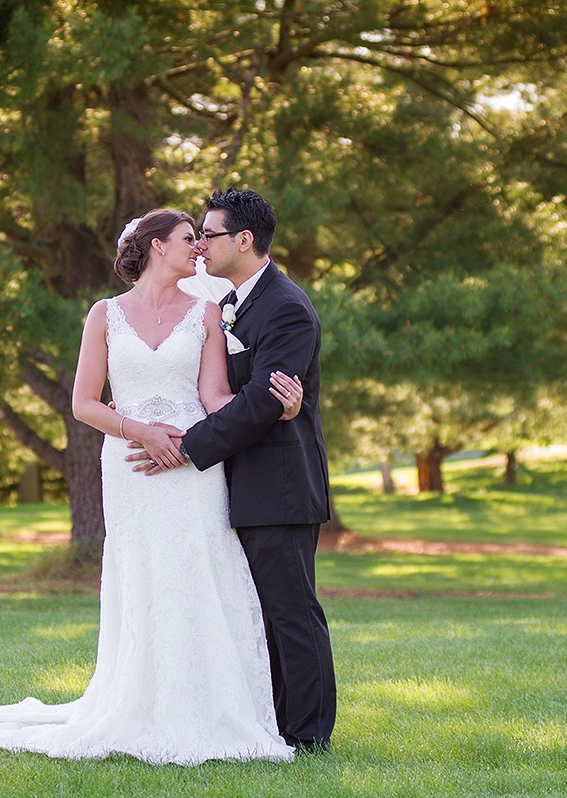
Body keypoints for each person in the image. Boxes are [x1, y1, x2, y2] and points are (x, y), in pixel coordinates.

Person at [0, 208, 305, 765]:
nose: (198, 249)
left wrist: (278, 409)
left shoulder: (205, 315)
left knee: (198, 572)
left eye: (202, 240)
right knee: (143, 576)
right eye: (187, 239)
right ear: (156, 247)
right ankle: (138, 701)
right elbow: (83, 404)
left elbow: (217, 399)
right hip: (130, 462)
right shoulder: (105, 315)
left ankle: (208, 709)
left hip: (189, 465)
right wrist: (141, 431)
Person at [128, 189, 336, 752]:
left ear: (244, 240)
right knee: (264, 614)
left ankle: (310, 735)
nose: (200, 244)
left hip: (282, 485)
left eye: (210, 234)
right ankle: (280, 726)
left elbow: (262, 403)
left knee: (292, 613)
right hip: (248, 482)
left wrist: (187, 447)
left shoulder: (285, 306)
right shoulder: (236, 301)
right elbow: (246, 392)